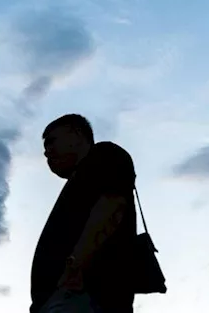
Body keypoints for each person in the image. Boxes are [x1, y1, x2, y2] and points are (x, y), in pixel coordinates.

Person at [30, 114, 137, 313]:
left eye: (51, 141)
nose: (47, 152)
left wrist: (75, 264)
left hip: (83, 296)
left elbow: (113, 206)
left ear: (76, 134)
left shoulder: (105, 154)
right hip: (61, 299)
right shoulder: (80, 180)